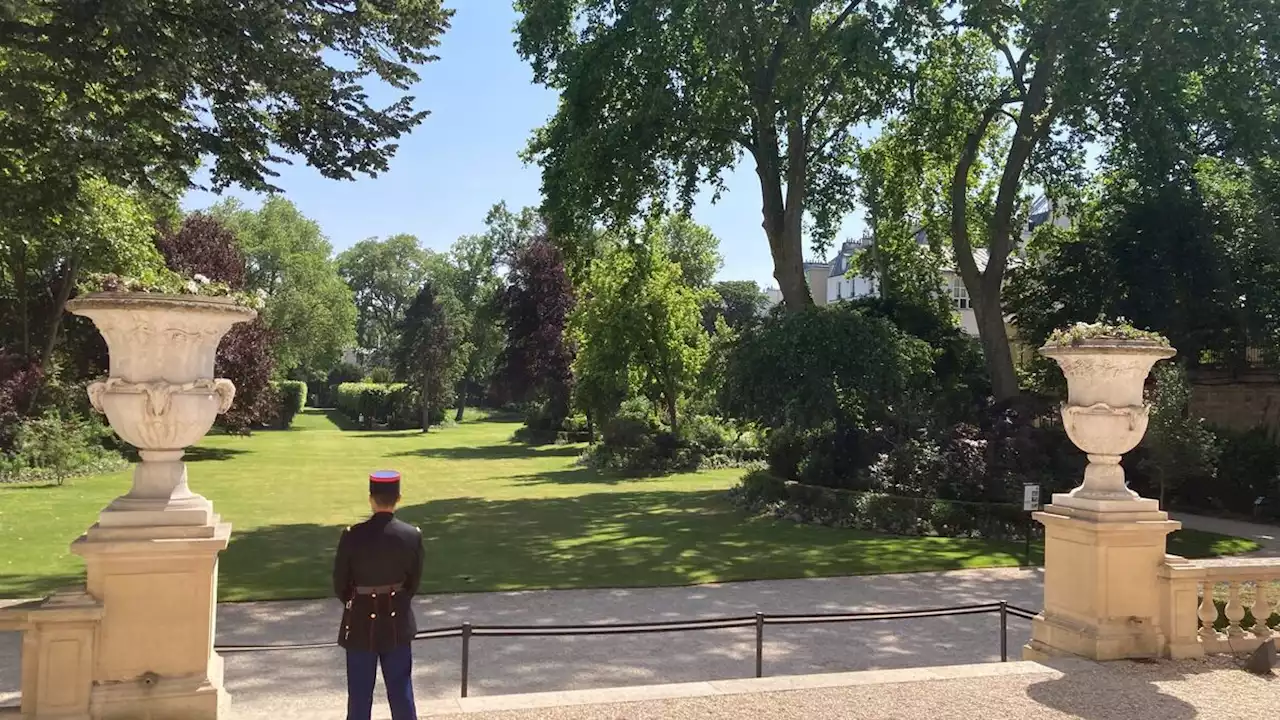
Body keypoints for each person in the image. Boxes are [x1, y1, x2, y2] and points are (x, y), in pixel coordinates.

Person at [333, 470, 424, 720]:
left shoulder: (352, 535)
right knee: (401, 692)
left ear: (371, 498)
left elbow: (340, 584)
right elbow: (413, 582)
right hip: (397, 621)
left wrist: (359, 601)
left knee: (360, 696)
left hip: (361, 621)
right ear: (399, 498)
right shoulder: (411, 535)